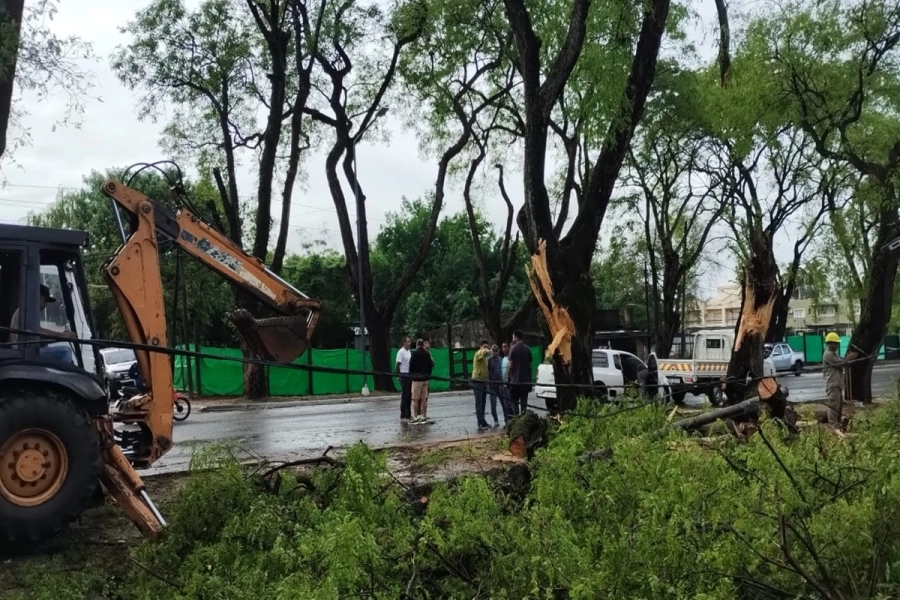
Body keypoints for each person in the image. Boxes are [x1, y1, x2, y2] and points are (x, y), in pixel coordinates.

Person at [10, 284, 76, 363]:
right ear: (38, 297)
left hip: (26, 351)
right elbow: (38, 333)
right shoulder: (27, 311)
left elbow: (38, 336)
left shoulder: (26, 310)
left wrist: (60, 336)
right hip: (25, 353)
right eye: (45, 301)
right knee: (65, 351)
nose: (45, 306)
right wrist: (63, 336)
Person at [823, 331, 847, 424]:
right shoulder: (828, 354)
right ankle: (833, 423)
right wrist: (848, 359)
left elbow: (841, 360)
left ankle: (838, 422)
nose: (837, 345)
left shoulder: (834, 353)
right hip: (832, 384)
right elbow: (839, 363)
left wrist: (846, 360)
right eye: (836, 343)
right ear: (830, 343)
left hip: (837, 384)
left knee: (839, 405)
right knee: (834, 406)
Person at [507, 330, 533, 415]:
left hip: (515, 381)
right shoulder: (528, 349)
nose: (512, 338)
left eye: (513, 337)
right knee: (524, 403)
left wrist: (508, 377)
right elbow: (530, 366)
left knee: (514, 402)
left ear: (516, 337)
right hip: (525, 381)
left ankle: (516, 418)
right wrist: (530, 379)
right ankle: (523, 417)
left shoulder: (513, 349)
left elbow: (511, 366)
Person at [409, 339, 433, 424]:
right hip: (425, 379)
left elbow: (411, 365)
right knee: (424, 398)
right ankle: (424, 415)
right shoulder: (427, 354)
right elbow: (430, 365)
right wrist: (428, 375)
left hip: (417, 379)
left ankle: (415, 416)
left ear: (417, 345)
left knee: (415, 399)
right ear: (422, 344)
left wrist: (411, 376)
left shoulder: (414, 354)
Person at [471, 340, 491, 430]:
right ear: (480, 347)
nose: (486, 348)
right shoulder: (478, 354)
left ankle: (483, 420)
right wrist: (486, 350)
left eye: (487, 347)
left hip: (483, 381)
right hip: (477, 381)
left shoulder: (485, 358)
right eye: (484, 346)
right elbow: (482, 353)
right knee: (479, 403)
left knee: (483, 403)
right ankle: (480, 422)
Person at [488, 344, 509, 426]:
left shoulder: (501, 359)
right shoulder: (489, 360)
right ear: (491, 352)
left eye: (496, 352)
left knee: (504, 403)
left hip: (500, 385)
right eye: (494, 352)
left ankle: (506, 419)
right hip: (492, 385)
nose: (495, 353)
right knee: (493, 404)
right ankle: (496, 420)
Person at [395, 336, 413, 423]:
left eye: (410, 342)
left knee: (409, 395)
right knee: (405, 395)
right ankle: (403, 414)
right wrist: (399, 375)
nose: (409, 343)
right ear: (404, 343)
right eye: (408, 342)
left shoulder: (409, 352)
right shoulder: (401, 352)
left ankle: (408, 413)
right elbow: (397, 365)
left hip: (409, 375)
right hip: (404, 374)